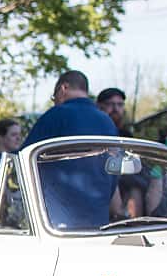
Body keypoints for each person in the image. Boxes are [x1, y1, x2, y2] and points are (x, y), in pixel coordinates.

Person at [23, 71, 122, 228]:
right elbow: (114, 171)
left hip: (56, 221)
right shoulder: (107, 122)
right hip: (98, 221)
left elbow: (23, 159)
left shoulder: (57, 114)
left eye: (54, 97)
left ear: (63, 88)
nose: (55, 101)